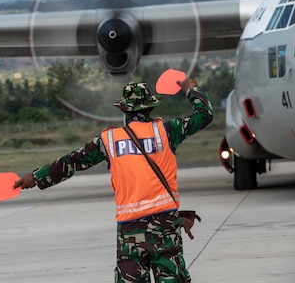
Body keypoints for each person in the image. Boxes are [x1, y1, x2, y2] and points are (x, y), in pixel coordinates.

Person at [14, 78, 213, 283]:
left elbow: (72, 161)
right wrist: (191, 89)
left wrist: (36, 177)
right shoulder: (167, 131)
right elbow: (204, 115)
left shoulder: (109, 141)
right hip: (165, 226)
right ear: (149, 109)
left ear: (123, 110)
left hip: (130, 230)